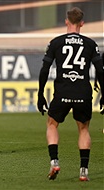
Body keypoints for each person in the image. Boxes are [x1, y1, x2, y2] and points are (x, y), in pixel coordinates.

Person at [37, 7, 104, 181]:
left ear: (66, 21)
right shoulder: (90, 44)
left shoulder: (56, 42)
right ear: (82, 23)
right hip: (83, 91)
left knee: (52, 124)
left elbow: (44, 70)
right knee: (83, 129)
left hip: (63, 91)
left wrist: (40, 94)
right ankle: (84, 171)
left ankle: (54, 161)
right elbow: (100, 70)